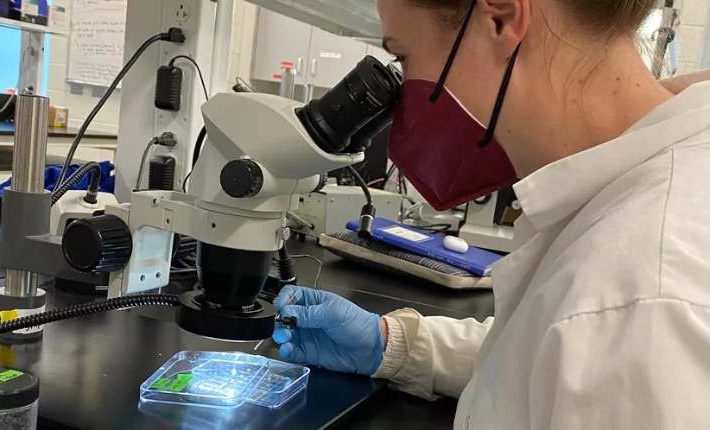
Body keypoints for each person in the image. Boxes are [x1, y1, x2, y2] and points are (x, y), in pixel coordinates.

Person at [272, 0, 710, 428]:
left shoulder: (641, 299)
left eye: (403, 56)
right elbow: (557, 357)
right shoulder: (632, 211)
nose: (403, 92)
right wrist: (392, 344)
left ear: (501, 19)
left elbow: (598, 338)